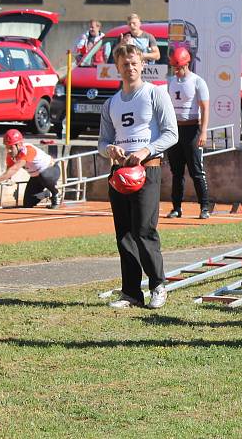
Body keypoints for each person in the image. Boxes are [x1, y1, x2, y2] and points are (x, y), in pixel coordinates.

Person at [98, 43, 177, 309]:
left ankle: (158, 285)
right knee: (124, 234)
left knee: (144, 229)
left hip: (148, 168)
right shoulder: (111, 103)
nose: (129, 68)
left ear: (142, 64)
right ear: (117, 68)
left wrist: (146, 150)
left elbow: (171, 133)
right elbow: (102, 142)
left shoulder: (155, 94)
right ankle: (131, 292)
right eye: (124, 65)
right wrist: (109, 149)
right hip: (119, 172)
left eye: (133, 63)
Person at [164, 47, 211, 220]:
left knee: (196, 171)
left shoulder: (198, 82)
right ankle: (176, 208)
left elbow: (205, 108)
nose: (176, 70)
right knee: (176, 172)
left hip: (192, 129)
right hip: (175, 130)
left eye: (179, 67)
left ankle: (204, 207)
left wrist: (203, 132)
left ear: (187, 63)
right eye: (174, 67)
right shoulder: (170, 81)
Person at [0, 129, 61, 208]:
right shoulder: (11, 155)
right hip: (36, 176)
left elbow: (15, 168)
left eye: (11, 147)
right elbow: (9, 167)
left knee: (44, 176)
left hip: (51, 170)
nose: (8, 150)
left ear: (19, 145)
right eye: (6, 147)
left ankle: (55, 193)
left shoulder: (28, 151)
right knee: (28, 203)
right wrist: (8, 178)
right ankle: (47, 193)